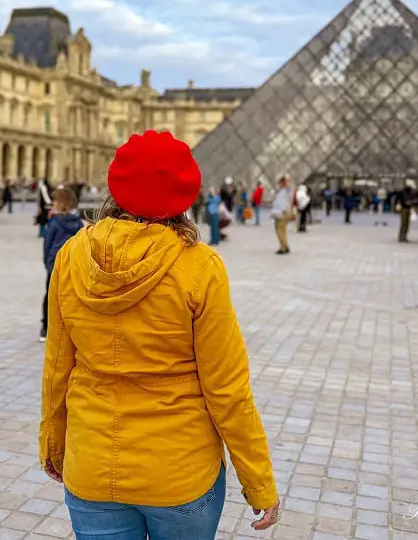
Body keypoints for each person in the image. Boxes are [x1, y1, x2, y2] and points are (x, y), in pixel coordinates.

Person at [39, 130, 280, 540]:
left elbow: (58, 366)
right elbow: (227, 389)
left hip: (93, 464)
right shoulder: (201, 267)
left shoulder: (71, 255)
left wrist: (52, 443)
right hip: (178, 471)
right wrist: (258, 480)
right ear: (184, 195)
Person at [41, 187, 84, 342]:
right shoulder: (78, 223)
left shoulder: (55, 222)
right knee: (69, 296)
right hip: (72, 264)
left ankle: (46, 327)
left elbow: (47, 244)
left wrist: (47, 262)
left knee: (50, 296)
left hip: (54, 263)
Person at [269, 175, 294, 254]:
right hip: (281, 212)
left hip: (282, 213)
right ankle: (284, 245)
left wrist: (286, 181)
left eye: (280, 183)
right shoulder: (283, 191)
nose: (278, 185)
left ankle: (283, 247)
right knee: (282, 230)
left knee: (280, 230)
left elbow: (283, 202)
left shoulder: (286, 191)